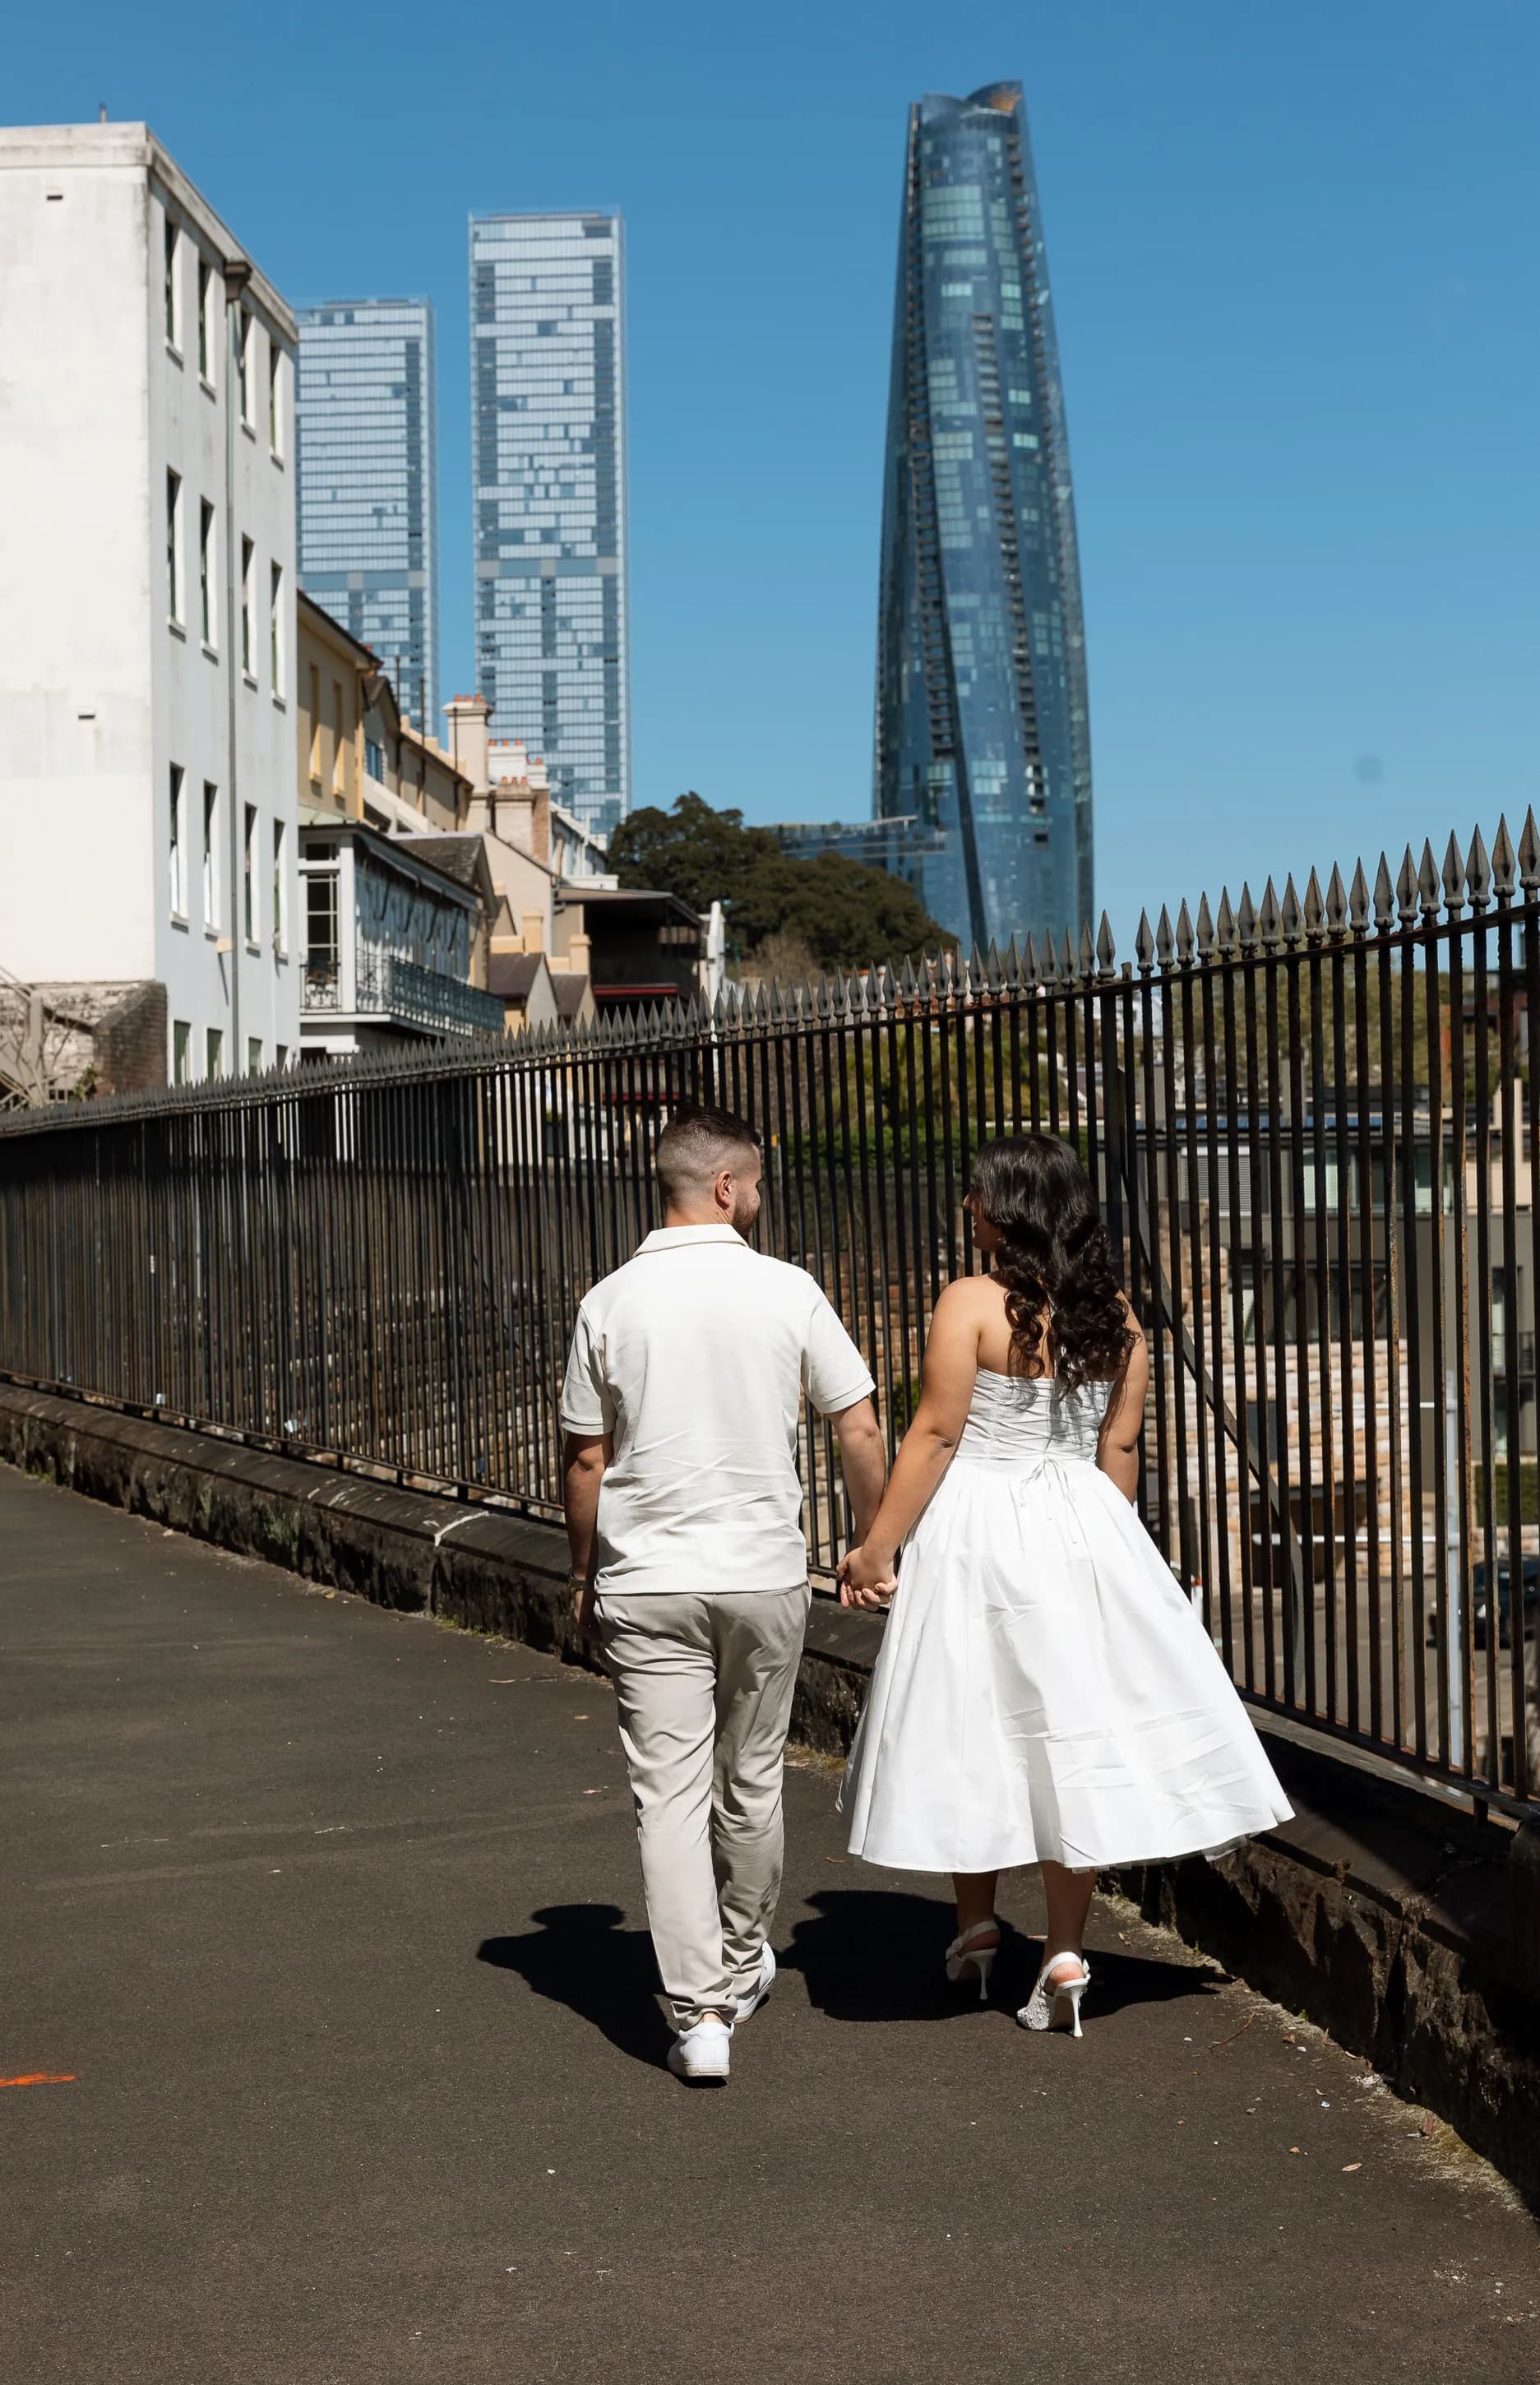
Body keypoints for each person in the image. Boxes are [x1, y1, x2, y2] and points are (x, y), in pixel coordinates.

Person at [837, 1131, 1292, 2038]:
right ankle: (1064, 1948)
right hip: (1080, 1523)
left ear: (1006, 1208)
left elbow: (933, 1434)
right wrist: (1108, 1556)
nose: (965, 1210)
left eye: (974, 1196)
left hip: (979, 1523)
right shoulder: (1117, 1314)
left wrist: (876, 1547)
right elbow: (1116, 1451)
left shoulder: (970, 1299)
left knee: (972, 1717)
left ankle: (974, 1925)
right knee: (1065, 1731)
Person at [561, 1102, 887, 2086]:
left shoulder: (608, 1298)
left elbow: (585, 1455)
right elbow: (859, 1426)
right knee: (751, 1777)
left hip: (647, 1574)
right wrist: (873, 1543)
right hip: (758, 1569)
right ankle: (743, 1963)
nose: (760, 1196)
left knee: (666, 1792)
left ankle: (698, 2011)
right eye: (756, 1183)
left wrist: (581, 1572)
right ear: (725, 1187)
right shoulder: (787, 1291)